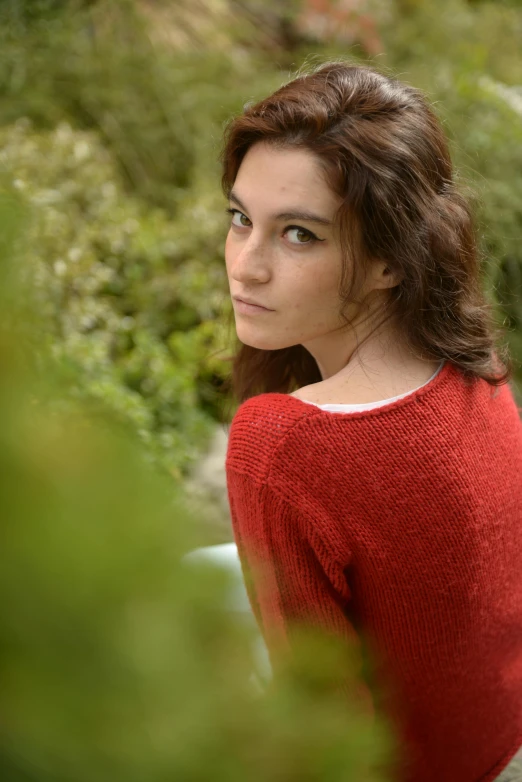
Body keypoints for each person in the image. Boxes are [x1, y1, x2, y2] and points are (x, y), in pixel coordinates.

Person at [220, 61, 522, 782]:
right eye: (240, 218)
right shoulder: (478, 371)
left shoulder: (281, 446)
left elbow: (327, 733)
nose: (245, 265)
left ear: (391, 258)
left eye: (299, 235)